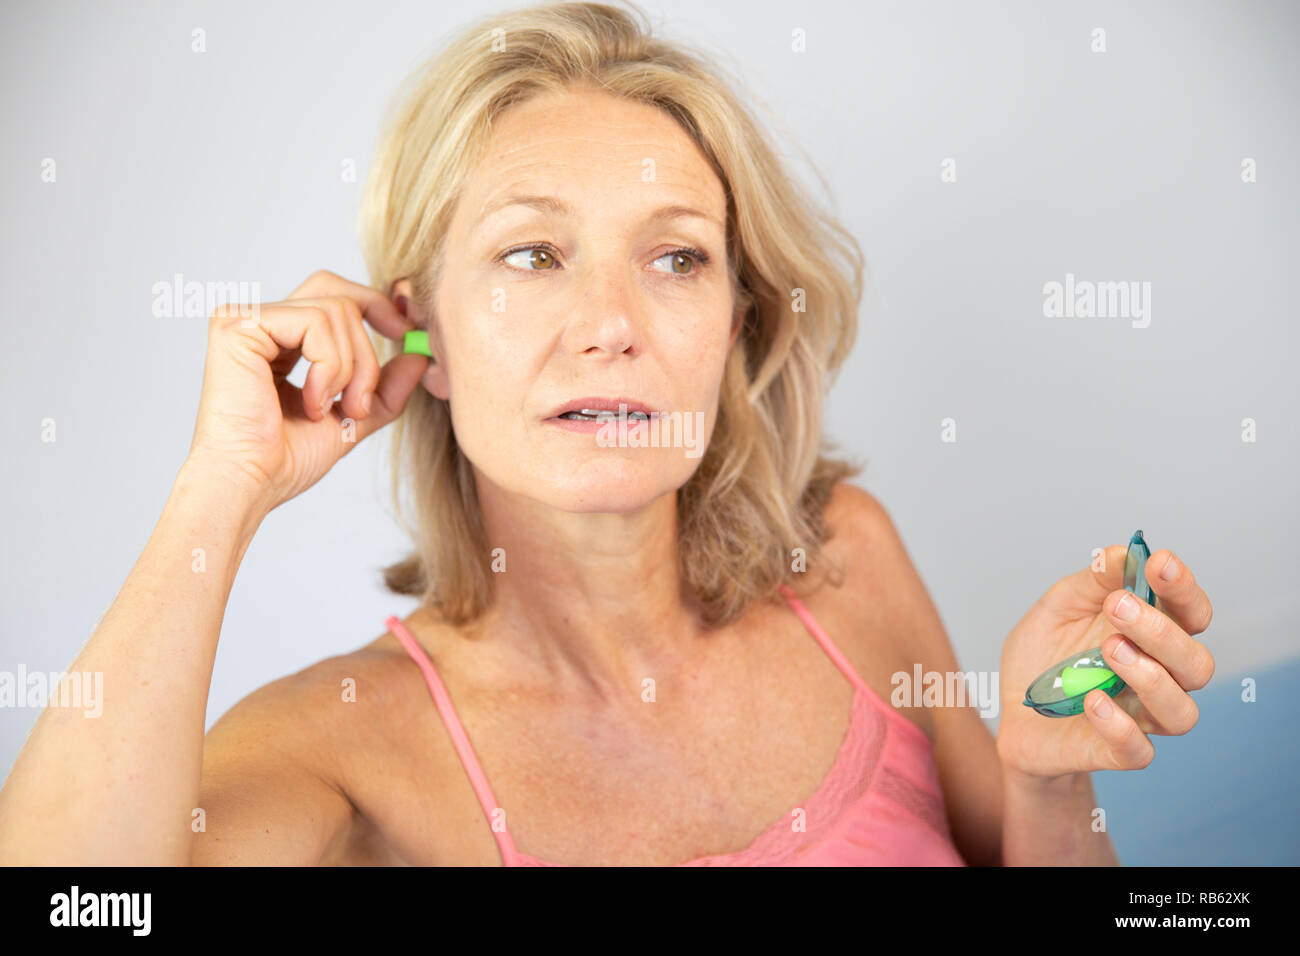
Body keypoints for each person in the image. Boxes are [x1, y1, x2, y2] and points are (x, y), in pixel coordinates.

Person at [0, 0, 1214, 866]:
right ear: (419, 334)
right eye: (531, 253)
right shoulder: (338, 747)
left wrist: (1047, 779)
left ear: (735, 321)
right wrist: (221, 484)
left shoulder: (845, 558)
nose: (611, 323)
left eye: (674, 256)